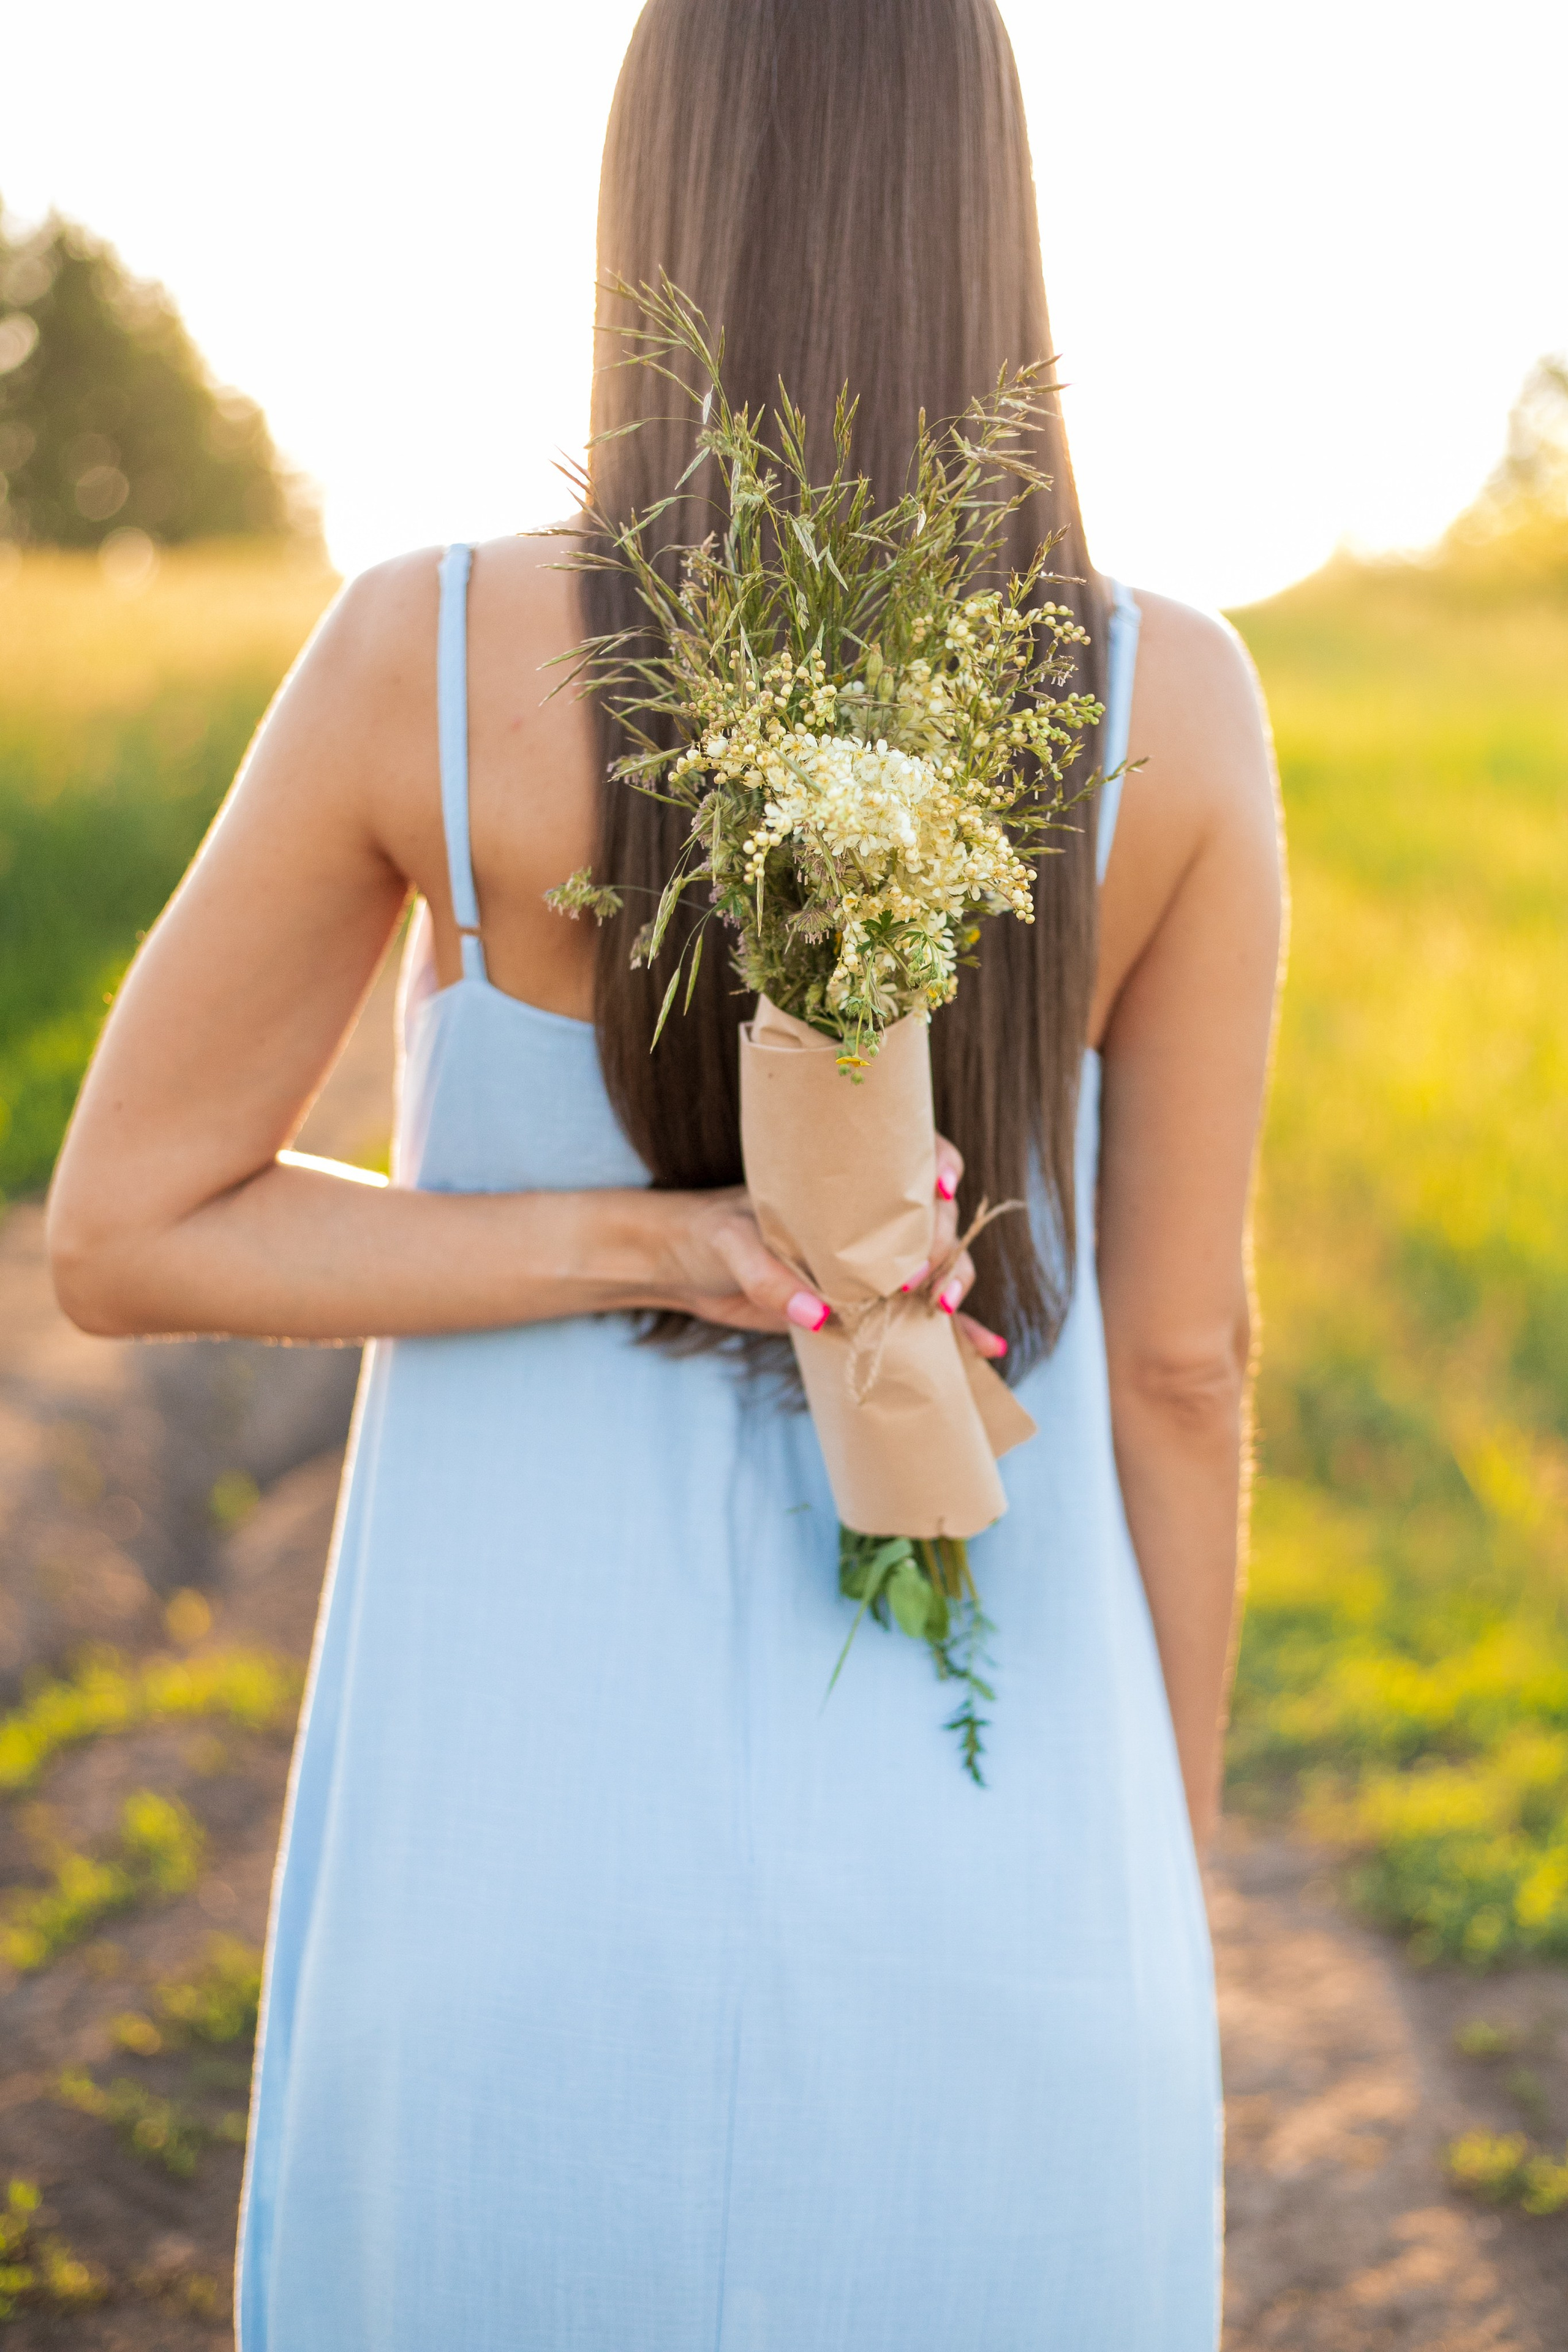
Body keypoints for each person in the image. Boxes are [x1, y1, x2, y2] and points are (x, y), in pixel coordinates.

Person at [48, 1, 1282, 2343]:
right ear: (991, 219)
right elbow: (1189, 1368)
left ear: (656, 206)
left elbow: (124, 1228)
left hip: (505, 1868)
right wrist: (1151, 1865)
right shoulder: (1175, 708)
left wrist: (641, 1243)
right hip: (1002, 1899)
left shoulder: (425, 658)